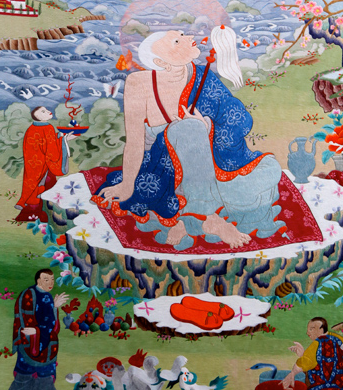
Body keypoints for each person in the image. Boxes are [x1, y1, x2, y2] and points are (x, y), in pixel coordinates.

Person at [95, 29, 285, 251]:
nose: (189, 39)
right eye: (177, 41)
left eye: (183, 34)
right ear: (160, 61)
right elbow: (135, 141)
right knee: (188, 129)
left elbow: (237, 117)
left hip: (211, 162)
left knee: (270, 169)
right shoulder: (139, 83)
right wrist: (127, 184)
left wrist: (208, 126)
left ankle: (188, 219)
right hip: (164, 167)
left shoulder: (203, 77)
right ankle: (208, 218)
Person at [9, 269, 69, 390]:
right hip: (29, 343)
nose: (50, 283)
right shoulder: (29, 295)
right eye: (46, 280)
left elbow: (50, 322)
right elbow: (26, 320)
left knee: (45, 381)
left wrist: (55, 307)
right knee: (23, 378)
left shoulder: (48, 296)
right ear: (39, 281)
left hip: (46, 346)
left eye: (52, 279)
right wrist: (36, 331)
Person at [15, 106, 76, 222]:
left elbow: (49, 141)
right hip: (44, 165)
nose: (48, 111)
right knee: (47, 187)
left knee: (35, 186)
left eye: (46, 109)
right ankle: (42, 215)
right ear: (36, 116)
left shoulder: (32, 128)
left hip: (34, 165)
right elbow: (51, 149)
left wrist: (64, 138)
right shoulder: (47, 128)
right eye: (43, 111)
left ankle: (35, 212)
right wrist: (63, 140)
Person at [281, 317, 343, 389]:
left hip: (329, 383)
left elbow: (306, 362)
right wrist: (303, 354)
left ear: (321, 329)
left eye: (311, 329)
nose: (307, 333)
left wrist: (292, 373)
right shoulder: (337, 338)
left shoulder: (319, 342)